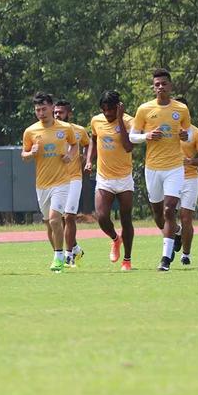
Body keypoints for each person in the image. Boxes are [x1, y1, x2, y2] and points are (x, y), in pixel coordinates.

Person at [130, 69, 192, 272]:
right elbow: (132, 136)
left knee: (169, 209)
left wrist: (185, 136)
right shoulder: (144, 109)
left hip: (174, 167)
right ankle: (175, 234)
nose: (160, 87)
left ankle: (165, 260)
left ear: (170, 85)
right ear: (153, 87)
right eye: (157, 84)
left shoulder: (181, 108)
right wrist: (146, 136)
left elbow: (188, 133)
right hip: (152, 168)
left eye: (164, 83)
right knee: (158, 213)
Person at [21, 92, 78, 272]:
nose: (41, 112)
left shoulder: (65, 128)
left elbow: (75, 145)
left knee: (55, 219)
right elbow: (24, 155)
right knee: (48, 222)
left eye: (44, 108)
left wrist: (70, 155)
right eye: (38, 110)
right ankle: (59, 252)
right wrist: (31, 153)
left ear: (52, 107)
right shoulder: (30, 131)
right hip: (42, 184)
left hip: (61, 182)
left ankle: (59, 257)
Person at [85, 91, 136, 270]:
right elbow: (93, 139)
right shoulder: (96, 120)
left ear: (119, 107)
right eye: (104, 110)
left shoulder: (129, 121)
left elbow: (128, 147)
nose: (107, 114)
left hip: (124, 178)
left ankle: (127, 260)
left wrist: (120, 119)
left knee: (126, 218)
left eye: (111, 110)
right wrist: (89, 160)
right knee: (102, 216)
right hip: (104, 177)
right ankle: (115, 239)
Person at [53, 99, 90, 267]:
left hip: (74, 178)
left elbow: (88, 145)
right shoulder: (50, 131)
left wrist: (87, 161)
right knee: (57, 219)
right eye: (55, 112)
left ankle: (69, 256)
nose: (57, 115)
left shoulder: (79, 131)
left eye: (60, 112)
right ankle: (75, 248)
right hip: (55, 179)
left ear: (69, 114)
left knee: (69, 217)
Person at [175, 97, 198, 266]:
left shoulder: (195, 133)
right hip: (169, 178)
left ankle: (186, 254)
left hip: (189, 179)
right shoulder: (165, 130)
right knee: (161, 213)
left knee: (186, 218)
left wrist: (191, 162)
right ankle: (177, 232)